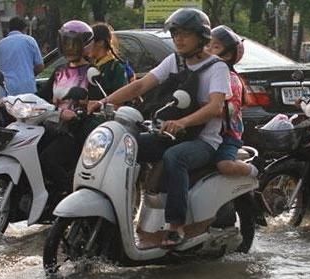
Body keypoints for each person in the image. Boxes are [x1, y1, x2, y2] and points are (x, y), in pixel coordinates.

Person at [87, 8, 231, 248]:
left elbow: (216, 107)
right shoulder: (174, 60)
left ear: (201, 37)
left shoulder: (217, 68)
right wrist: (103, 102)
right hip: (168, 132)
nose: (179, 39)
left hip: (204, 141)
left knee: (175, 157)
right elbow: (140, 86)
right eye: (175, 34)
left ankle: (176, 226)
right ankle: (123, 210)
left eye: (185, 34)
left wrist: (183, 122)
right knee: (125, 147)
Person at [37, 20, 103, 198]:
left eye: (74, 43)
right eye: (66, 42)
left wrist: (80, 107)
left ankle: (70, 194)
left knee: (48, 160)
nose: (70, 47)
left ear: (85, 45)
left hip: (73, 130)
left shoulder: (91, 72)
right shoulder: (59, 70)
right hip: (52, 124)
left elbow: (96, 102)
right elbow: (40, 96)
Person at [207, 25, 258, 177]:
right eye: (207, 45)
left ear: (228, 55)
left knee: (225, 165)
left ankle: (255, 171)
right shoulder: (206, 73)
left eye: (215, 47)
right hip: (208, 132)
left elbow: (223, 109)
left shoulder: (231, 79)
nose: (208, 50)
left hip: (228, 135)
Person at [0, 16, 44, 100]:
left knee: (4, 112)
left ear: (9, 29)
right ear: (24, 29)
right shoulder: (30, 41)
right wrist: (28, 74)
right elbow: (40, 66)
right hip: (27, 92)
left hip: (6, 93)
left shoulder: (0, 45)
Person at [88, 23, 129, 99]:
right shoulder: (90, 66)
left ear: (101, 42)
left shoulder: (116, 68)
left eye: (89, 42)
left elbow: (120, 98)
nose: (86, 46)